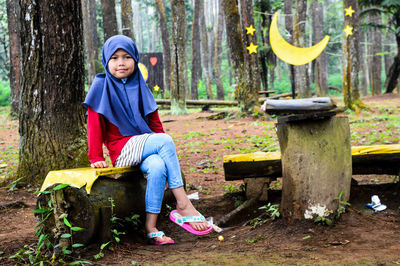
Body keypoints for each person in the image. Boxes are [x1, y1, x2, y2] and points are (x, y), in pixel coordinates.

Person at [82, 35, 212, 245]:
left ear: (135, 59)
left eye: (126, 57)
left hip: (145, 147)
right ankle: (183, 202)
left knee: (158, 166)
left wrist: (168, 163)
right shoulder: (101, 85)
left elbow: (154, 123)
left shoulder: (140, 85)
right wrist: (95, 155)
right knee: (165, 140)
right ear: (106, 61)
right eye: (114, 58)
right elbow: (94, 124)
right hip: (122, 150)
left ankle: (151, 227)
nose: (121, 63)